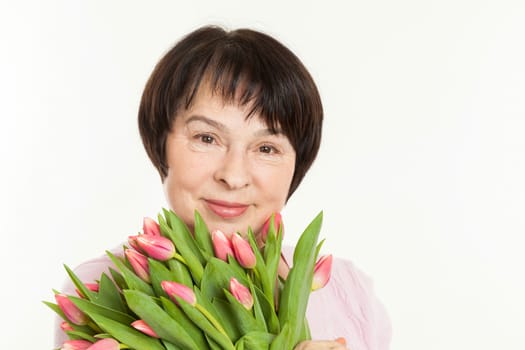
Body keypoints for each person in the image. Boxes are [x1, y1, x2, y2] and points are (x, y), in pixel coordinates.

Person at [55, 25, 391, 350]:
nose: (233, 176)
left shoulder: (352, 294)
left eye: (266, 148)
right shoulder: (100, 287)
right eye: (206, 138)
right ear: (160, 143)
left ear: (297, 163)